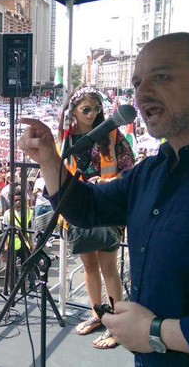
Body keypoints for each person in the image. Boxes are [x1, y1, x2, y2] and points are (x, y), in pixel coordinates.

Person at [18, 32, 189, 366]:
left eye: (162, 76)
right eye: (138, 83)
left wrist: (156, 332)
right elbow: (86, 207)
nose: (142, 94)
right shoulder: (150, 173)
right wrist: (49, 160)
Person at [53, 85, 135, 349]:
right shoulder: (65, 138)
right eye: (86, 109)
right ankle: (96, 314)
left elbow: (128, 167)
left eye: (97, 109)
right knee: (89, 266)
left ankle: (116, 325)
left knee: (108, 266)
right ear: (73, 111)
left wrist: (107, 181)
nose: (92, 114)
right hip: (79, 209)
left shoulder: (111, 133)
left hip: (108, 205)